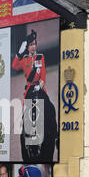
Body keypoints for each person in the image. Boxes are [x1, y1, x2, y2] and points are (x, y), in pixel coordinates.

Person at [12, 29, 58, 162]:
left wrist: (41, 84)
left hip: (40, 88)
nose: (33, 47)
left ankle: (55, 135)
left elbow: (42, 75)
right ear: (27, 47)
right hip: (29, 91)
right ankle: (29, 144)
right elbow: (14, 66)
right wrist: (20, 52)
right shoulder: (24, 59)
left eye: (34, 44)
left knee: (51, 109)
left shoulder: (40, 57)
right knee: (25, 116)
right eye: (30, 45)